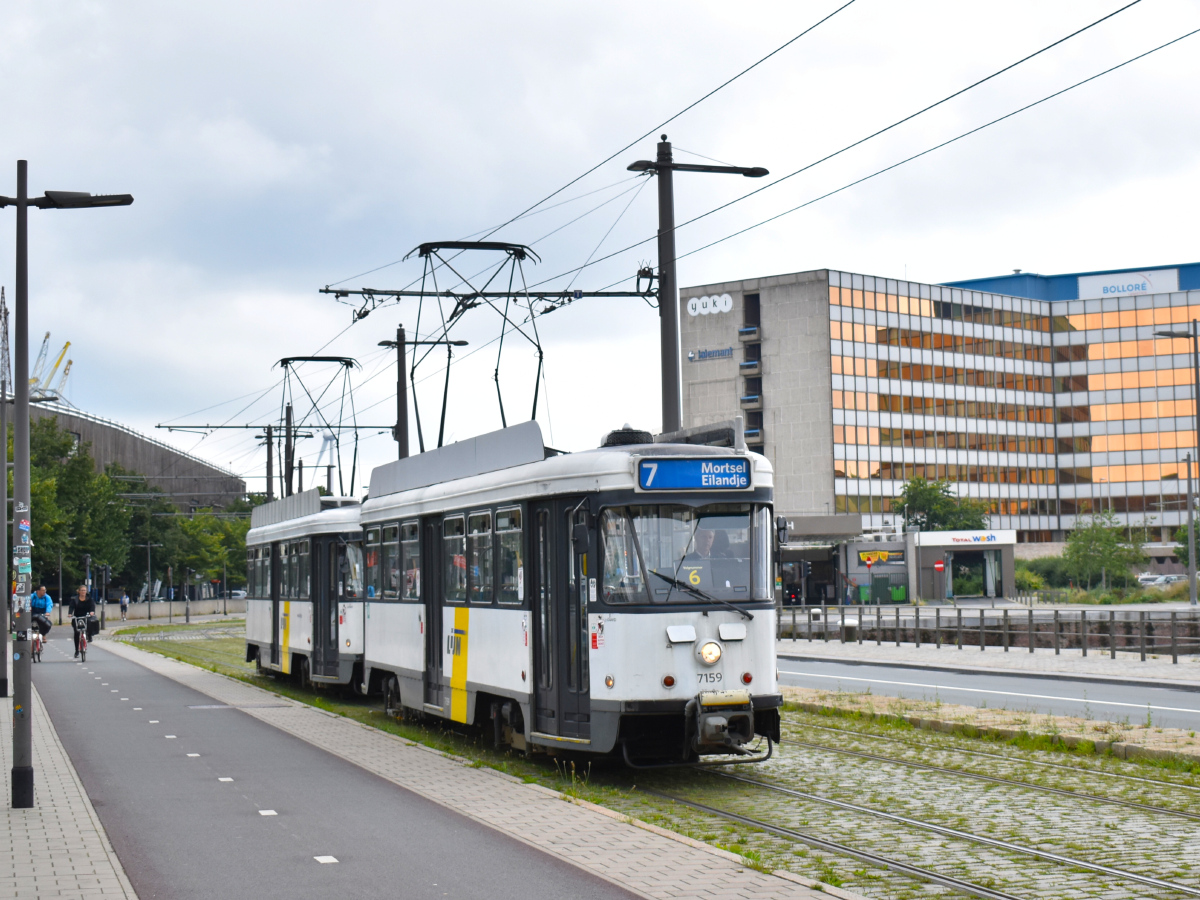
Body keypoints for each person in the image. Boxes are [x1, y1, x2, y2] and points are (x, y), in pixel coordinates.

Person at [71, 585, 96, 658]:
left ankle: (89, 635)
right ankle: (76, 651)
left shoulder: (89, 599)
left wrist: (92, 612)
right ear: (79, 591)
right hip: (77, 617)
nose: (83, 592)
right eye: (82, 590)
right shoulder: (75, 599)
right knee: (76, 633)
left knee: (90, 624)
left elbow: (92, 606)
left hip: (86, 616)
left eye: (84, 590)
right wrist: (70, 613)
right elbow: (71, 607)